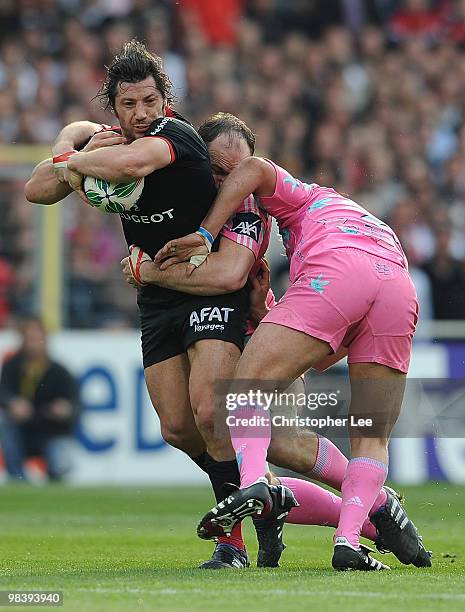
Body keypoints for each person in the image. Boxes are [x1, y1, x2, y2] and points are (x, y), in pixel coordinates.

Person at [24, 42, 340, 569]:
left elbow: (131, 169)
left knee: (214, 410)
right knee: (177, 426)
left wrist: (79, 161)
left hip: (213, 293)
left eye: (150, 101)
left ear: (165, 100)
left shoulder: (175, 138)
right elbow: (37, 189)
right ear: (115, 107)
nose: (142, 113)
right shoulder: (109, 143)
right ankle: (262, 500)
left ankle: (252, 536)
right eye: (129, 105)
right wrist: (69, 147)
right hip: (160, 301)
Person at [154, 153, 432, 570]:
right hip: (397, 284)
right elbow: (324, 349)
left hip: (337, 272)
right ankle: (351, 540)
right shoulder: (361, 220)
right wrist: (269, 315)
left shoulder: (304, 198)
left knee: (243, 390)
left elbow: (254, 168)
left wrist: (204, 233)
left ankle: (254, 486)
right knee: (370, 435)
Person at [0, 317, 79, 481]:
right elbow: (3, 391)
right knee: (3, 420)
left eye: (37, 339)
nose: (33, 344)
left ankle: (55, 477)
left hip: (51, 431)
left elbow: (76, 403)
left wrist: (64, 409)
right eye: (29, 339)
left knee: (61, 465)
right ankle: (16, 477)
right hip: (21, 431)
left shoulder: (59, 371)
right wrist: (12, 403)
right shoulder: (12, 366)